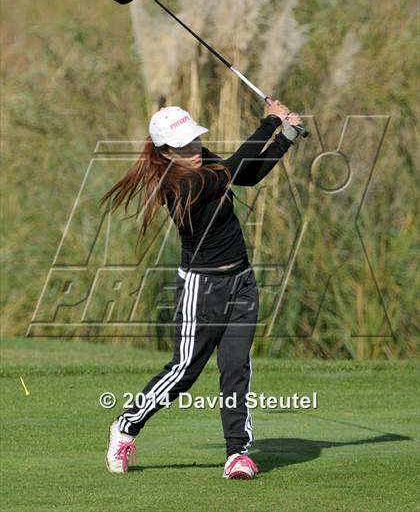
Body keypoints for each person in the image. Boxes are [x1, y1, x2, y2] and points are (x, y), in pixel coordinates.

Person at [100, 101, 304, 479]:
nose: (194, 149)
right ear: (166, 152)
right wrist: (271, 122)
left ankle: (236, 453)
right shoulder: (179, 184)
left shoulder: (200, 161)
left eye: (195, 140)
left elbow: (248, 174)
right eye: (185, 145)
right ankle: (126, 426)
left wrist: (285, 137)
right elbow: (233, 168)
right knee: (184, 371)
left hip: (241, 281)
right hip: (203, 287)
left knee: (235, 368)